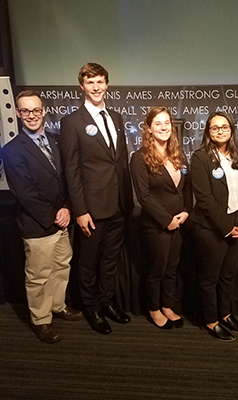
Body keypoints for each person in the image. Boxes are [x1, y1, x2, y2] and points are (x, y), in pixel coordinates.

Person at [1, 90, 83, 343]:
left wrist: (67, 207)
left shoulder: (57, 140)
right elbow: (25, 193)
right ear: (17, 113)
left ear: (44, 111)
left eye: (36, 110)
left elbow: (69, 177)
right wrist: (54, 215)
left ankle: (58, 305)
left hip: (62, 218)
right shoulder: (11, 150)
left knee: (61, 266)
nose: (31, 115)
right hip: (38, 224)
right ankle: (41, 320)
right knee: (38, 276)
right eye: (25, 111)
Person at [59, 63, 134, 335]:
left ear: (107, 84)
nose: (96, 87)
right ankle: (91, 308)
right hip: (91, 208)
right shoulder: (71, 122)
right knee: (88, 263)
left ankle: (107, 302)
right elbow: (71, 169)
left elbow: (121, 161)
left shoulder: (115, 117)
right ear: (82, 86)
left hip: (118, 205)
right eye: (90, 83)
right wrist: (79, 209)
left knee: (110, 260)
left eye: (100, 82)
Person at [190, 111, 238, 342]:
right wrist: (228, 228)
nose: (219, 131)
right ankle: (210, 319)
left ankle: (225, 314)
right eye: (214, 127)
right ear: (208, 131)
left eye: (224, 127)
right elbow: (204, 199)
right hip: (211, 229)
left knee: (228, 276)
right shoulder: (201, 158)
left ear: (231, 130)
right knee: (210, 278)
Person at [130, 106, 192, 329]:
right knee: (157, 269)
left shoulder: (178, 154)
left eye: (167, 123)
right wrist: (167, 220)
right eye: (158, 123)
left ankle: (167, 304)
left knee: (171, 267)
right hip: (157, 225)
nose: (164, 127)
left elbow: (185, 188)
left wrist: (186, 210)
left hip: (180, 222)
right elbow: (143, 196)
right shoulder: (139, 158)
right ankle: (154, 309)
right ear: (148, 128)